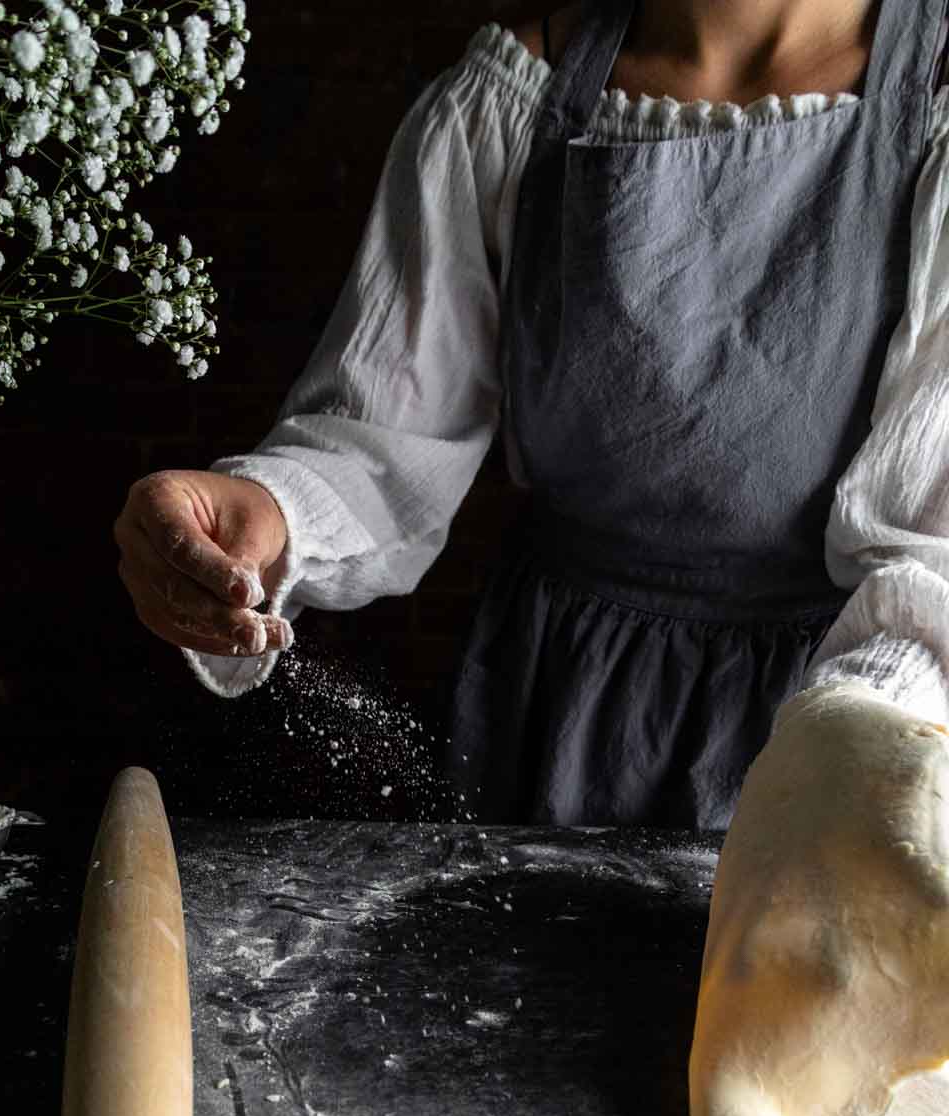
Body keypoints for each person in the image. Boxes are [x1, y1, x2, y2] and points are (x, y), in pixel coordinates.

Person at [113, 0, 949, 831]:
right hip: (556, 703)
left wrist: (849, 760)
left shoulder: (935, 96)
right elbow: (385, 440)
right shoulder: (510, 99)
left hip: (847, 717)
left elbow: (932, 559)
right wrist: (267, 514)